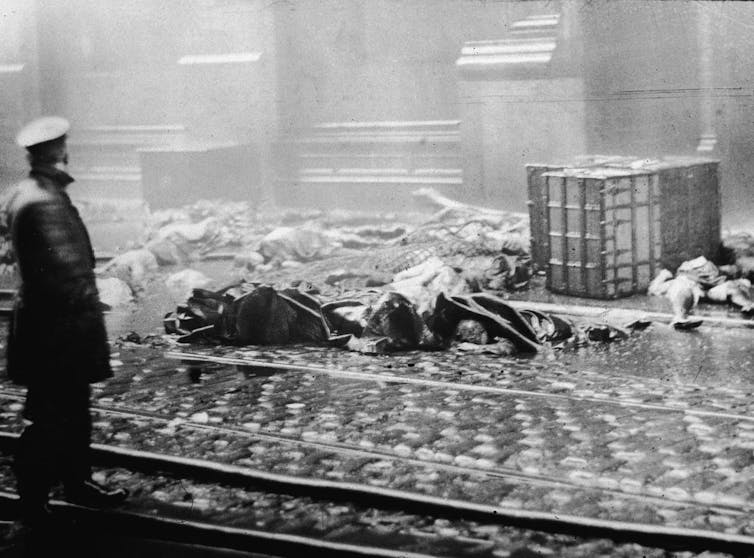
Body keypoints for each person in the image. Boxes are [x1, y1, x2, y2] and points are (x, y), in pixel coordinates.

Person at [5, 116, 128, 530]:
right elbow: (66, 273)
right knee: (55, 414)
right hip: (59, 328)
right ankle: (36, 499)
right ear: (59, 151)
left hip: (48, 324)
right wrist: (90, 314)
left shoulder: (28, 192)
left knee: (69, 410)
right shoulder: (46, 201)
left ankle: (75, 484)